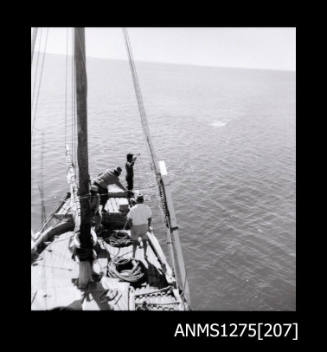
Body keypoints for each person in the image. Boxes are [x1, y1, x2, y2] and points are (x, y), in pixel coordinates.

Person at [126, 194, 152, 259]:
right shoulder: (147, 207)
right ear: (143, 200)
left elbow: (129, 219)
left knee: (134, 242)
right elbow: (149, 218)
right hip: (144, 227)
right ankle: (145, 255)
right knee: (144, 241)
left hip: (135, 227)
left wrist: (131, 227)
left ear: (136, 200)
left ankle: (133, 255)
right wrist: (148, 226)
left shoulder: (132, 208)